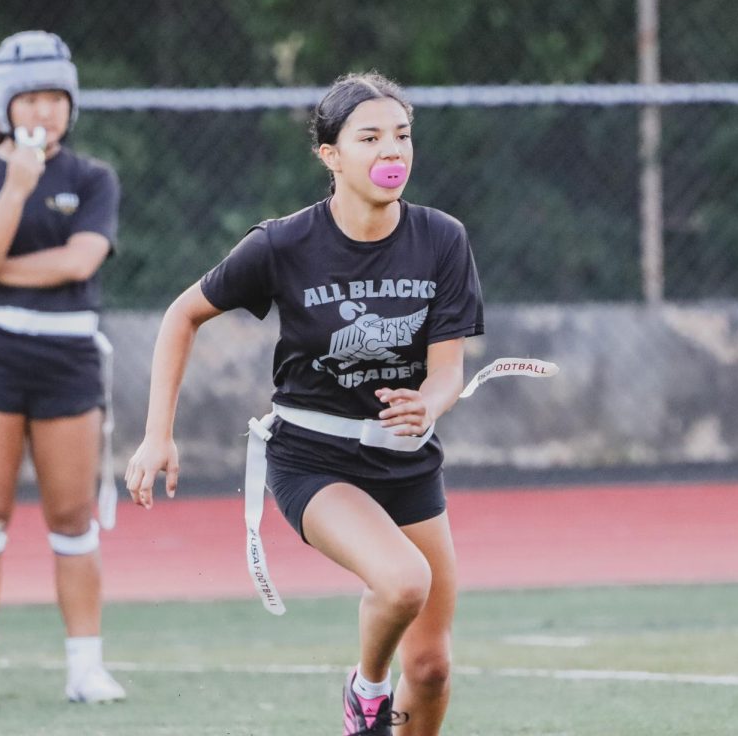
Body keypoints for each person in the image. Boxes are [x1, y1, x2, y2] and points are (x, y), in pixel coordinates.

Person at [126, 72, 484, 736]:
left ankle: (386, 695)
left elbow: (447, 373)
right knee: (405, 581)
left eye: (402, 137)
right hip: (315, 461)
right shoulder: (283, 244)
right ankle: (366, 688)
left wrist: (429, 406)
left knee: (432, 668)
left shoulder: (442, 240)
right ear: (331, 155)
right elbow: (182, 316)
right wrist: (157, 436)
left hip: (407, 464)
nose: (392, 153)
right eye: (370, 138)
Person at [0, 30, 124, 706]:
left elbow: (79, 261)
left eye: (54, 98)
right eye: (29, 99)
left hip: (70, 354)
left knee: (73, 515)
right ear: (1, 107)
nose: (42, 112)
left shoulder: (94, 177)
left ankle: (85, 666)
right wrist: (15, 190)